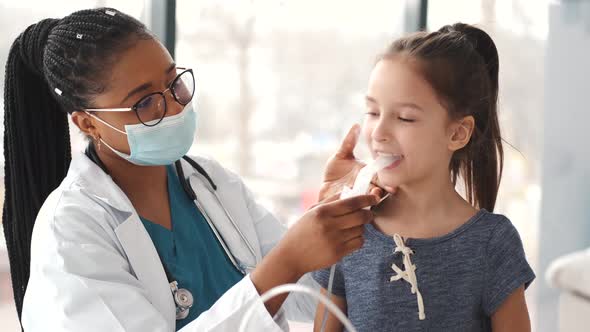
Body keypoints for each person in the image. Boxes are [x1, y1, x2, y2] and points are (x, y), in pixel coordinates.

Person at [2, 8, 381, 331]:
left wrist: (336, 214)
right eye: (146, 102)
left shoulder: (213, 184)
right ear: (88, 124)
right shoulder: (70, 231)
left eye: (174, 84)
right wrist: (285, 264)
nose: (175, 108)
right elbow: (285, 270)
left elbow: (309, 298)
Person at [313, 23, 536, 332]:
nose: (378, 133)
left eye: (404, 117)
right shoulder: (348, 229)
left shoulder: (492, 244)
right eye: (373, 112)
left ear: (458, 133)